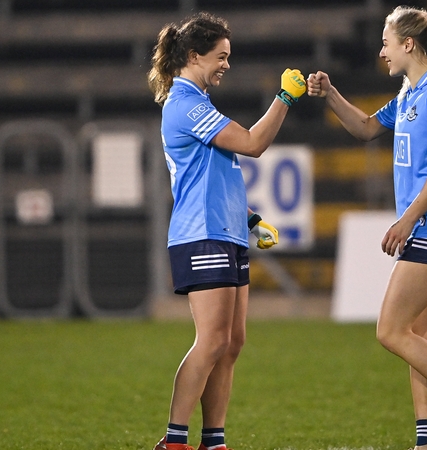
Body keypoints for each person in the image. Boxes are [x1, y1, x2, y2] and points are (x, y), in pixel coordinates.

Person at [307, 6, 427, 450]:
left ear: (409, 44)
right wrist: (331, 95)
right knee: (420, 337)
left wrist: (408, 218)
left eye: (387, 43)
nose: (382, 52)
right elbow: (365, 128)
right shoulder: (409, 93)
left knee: (391, 331)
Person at [147, 11, 306, 450]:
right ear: (193, 56)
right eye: (221, 56)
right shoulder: (185, 104)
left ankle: (213, 441)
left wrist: (250, 218)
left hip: (225, 230)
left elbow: (212, 178)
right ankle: (174, 440)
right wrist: (284, 98)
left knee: (232, 343)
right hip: (202, 234)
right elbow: (253, 144)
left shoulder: (198, 102)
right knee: (213, 340)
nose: (226, 65)